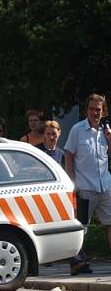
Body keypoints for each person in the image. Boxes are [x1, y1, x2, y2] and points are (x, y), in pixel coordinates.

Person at [64, 94, 111, 276]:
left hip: (105, 185)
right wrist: (71, 182)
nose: (94, 112)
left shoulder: (106, 131)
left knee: (110, 224)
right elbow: (68, 154)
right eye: (91, 109)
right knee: (81, 228)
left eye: (98, 109)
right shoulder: (77, 129)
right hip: (85, 187)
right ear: (87, 110)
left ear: (103, 111)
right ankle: (77, 262)